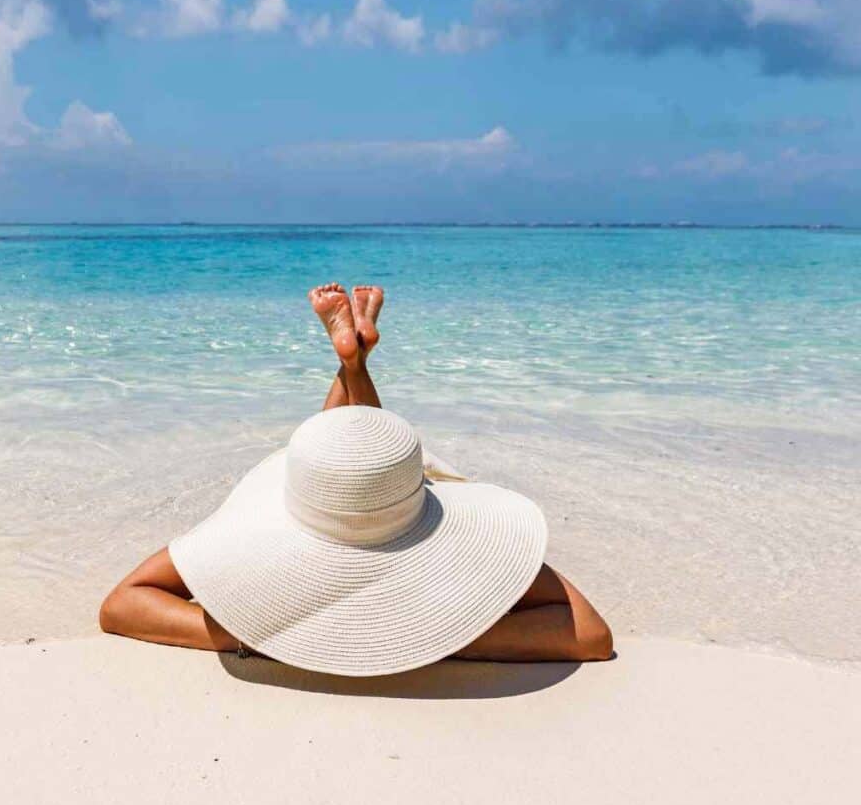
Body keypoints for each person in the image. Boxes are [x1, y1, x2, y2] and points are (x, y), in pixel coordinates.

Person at [99, 284, 613, 674]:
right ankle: (353, 361)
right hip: (409, 528)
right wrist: (448, 636)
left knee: (349, 462)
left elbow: (123, 605)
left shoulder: (268, 533)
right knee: (357, 461)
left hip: (351, 517)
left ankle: (352, 360)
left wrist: (249, 634)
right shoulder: (431, 541)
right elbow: (589, 634)